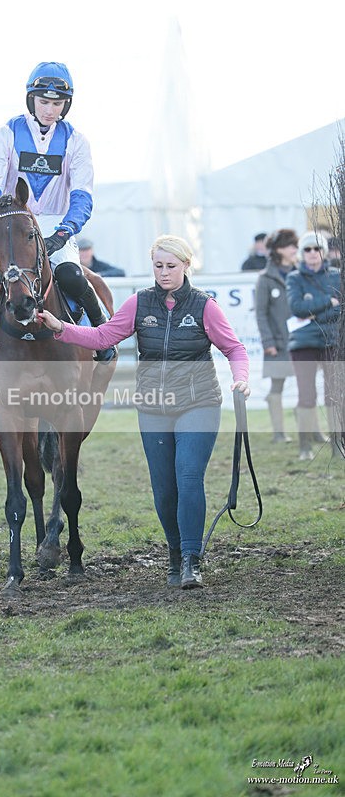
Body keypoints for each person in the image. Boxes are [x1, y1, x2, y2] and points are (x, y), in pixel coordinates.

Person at [38, 234, 250, 590]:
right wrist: (62, 328)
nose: (164, 273)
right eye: (158, 266)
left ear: (185, 265)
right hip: (153, 407)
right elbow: (104, 337)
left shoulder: (204, 306)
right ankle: (173, 553)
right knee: (164, 489)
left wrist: (241, 378)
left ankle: (191, 560)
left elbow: (235, 349)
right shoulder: (139, 304)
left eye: (171, 266)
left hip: (198, 404)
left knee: (187, 478)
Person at [0, 61, 115, 373]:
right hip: (13, 221)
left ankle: (102, 334)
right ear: (32, 100)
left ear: (65, 106)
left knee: (71, 274)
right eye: (44, 102)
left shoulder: (77, 141)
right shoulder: (5, 134)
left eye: (57, 104)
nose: (49, 110)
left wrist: (65, 231)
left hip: (56, 224)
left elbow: (82, 195)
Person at [286, 230, 341, 460]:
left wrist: (314, 312)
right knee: (306, 396)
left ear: (324, 252)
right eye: (307, 249)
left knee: (335, 395)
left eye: (316, 248)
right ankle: (305, 446)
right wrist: (328, 302)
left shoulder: (337, 276)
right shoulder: (294, 278)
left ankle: (338, 445)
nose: (312, 253)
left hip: (332, 340)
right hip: (304, 342)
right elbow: (297, 308)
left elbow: (341, 310)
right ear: (301, 253)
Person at [254, 229, 298, 442]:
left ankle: (313, 432)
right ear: (279, 249)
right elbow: (260, 313)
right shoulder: (265, 279)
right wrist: (268, 342)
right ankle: (279, 433)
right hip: (278, 343)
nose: (295, 250)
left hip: (302, 341)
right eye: (291, 245)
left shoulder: (301, 274)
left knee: (306, 385)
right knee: (277, 385)